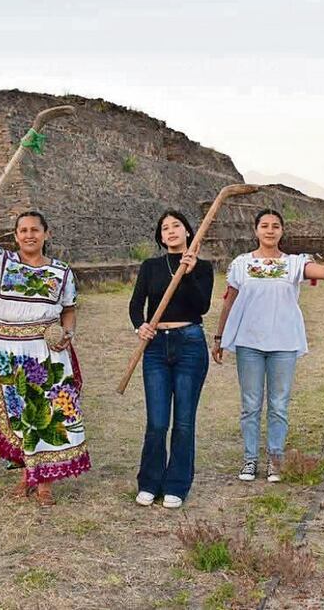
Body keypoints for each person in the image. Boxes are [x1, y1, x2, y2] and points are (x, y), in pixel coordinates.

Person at [0, 201, 88, 507]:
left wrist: (67, 335)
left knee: (47, 413)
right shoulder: (2, 262)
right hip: (8, 349)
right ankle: (26, 474)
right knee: (20, 412)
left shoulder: (61, 272)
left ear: (46, 234)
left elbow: (69, 311)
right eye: (23, 230)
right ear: (16, 236)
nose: (29, 235)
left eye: (35, 229)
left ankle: (44, 482)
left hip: (46, 348)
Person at [213, 209, 324, 483]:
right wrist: (219, 337)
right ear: (256, 230)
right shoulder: (241, 264)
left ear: (282, 231)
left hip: (283, 343)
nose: (270, 230)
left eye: (275, 226)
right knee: (250, 404)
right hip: (249, 342)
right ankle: (250, 459)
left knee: (278, 403)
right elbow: (229, 301)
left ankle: (275, 459)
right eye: (264, 225)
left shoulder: (294, 263)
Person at [128, 210, 214, 509]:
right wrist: (140, 325)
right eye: (165, 228)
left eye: (176, 225)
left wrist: (188, 276)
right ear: (161, 237)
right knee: (157, 421)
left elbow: (201, 306)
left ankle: (177, 484)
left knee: (184, 422)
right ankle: (150, 481)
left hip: (190, 344)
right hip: (155, 348)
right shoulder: (151, 266)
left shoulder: (202, 267)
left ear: (189, 232)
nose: (171, 231)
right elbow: (137, 304)